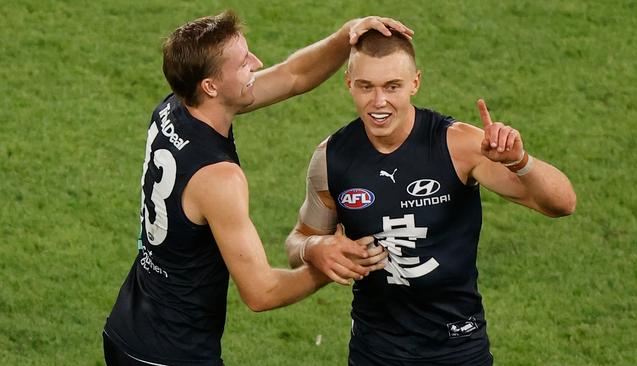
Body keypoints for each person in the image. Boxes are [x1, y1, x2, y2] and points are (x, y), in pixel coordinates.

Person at [103, 11, 413, 366]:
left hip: (127, 325)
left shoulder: (173, 107)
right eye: (243, 62)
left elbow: (292, 75)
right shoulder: (219, 178)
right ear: (211, 86)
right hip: (172, 353)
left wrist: (348, 35)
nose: (256, 63)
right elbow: (261, 292)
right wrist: (325, 264)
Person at [285, 30, 576, 365]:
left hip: (458, 349)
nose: (379, 102)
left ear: (415, 83)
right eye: (366, 86)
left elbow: (563, 204)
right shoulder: (331, 157)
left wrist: (519, 161)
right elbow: (298, 243)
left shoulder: (458, 146)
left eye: (392, 86)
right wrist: (314, 248)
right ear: (349, 83)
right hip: (375, 352)